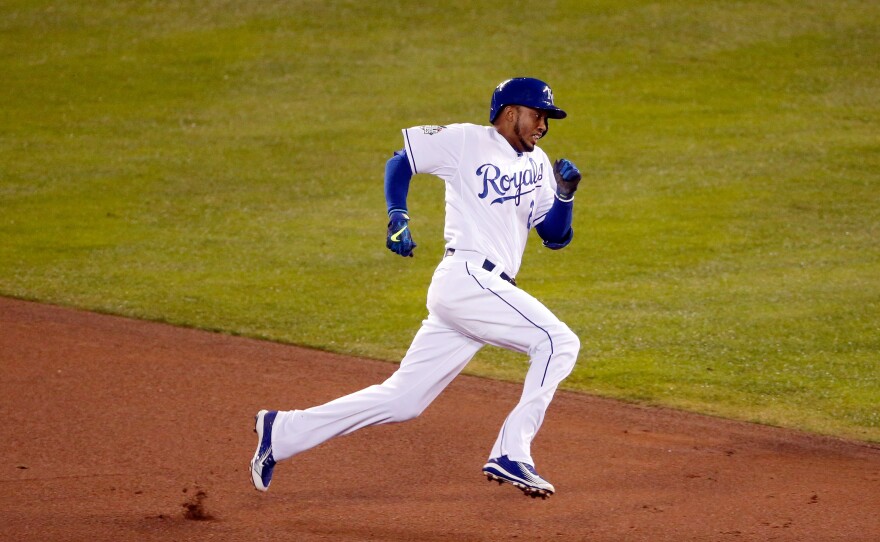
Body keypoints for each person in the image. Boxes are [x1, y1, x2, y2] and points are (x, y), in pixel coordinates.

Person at [250, 77, 582, 499]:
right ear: (510, 111)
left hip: (479, 294)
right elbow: (399, 162)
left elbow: (554, 237)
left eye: (548, 120)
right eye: (539, 116)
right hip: (467, 278)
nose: (543, 127)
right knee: (558, 342)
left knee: (402, 400)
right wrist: (397, 215)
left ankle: (282, 432)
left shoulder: (538, 164)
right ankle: (512, 451)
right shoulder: (465, 140)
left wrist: (566, 195)